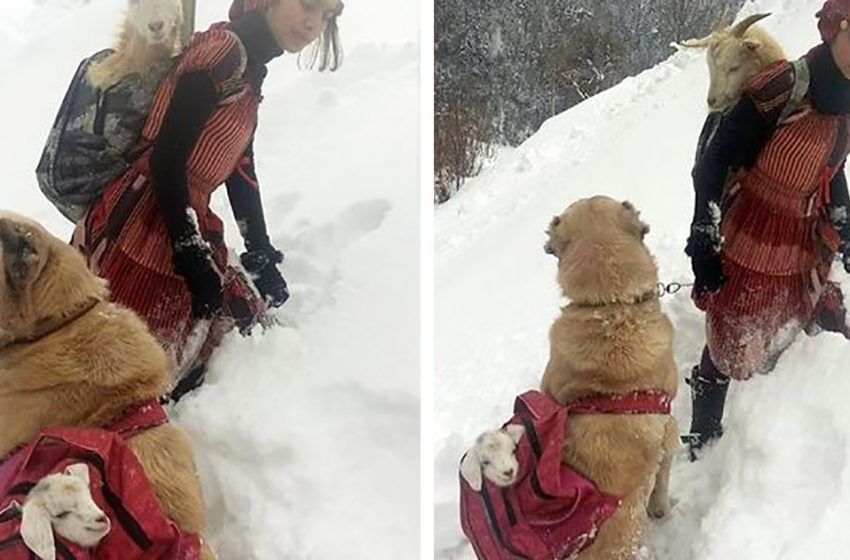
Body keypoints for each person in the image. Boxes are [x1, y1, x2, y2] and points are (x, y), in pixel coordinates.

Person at [72, 0, 344, 401]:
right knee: (121, 372)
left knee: (234, 336)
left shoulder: (249, 69)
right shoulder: (223, 54)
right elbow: (166, 159)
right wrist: (189, 253)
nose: (313, 24)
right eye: (308, 5)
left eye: (327, 16)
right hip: (146, 221)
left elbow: (241, 169)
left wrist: (260, 249)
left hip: (179, 216)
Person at [684, 0, 850, 458]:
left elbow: (831, 167)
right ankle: (704, 430)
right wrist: (703, 234)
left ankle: (774, 401)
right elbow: (715, 159)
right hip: (750, 229)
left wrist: (844, 222)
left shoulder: (848, 101)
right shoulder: (783, 86)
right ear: (833, 31)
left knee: (788, 315)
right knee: (730, 329)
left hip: (798, 234)